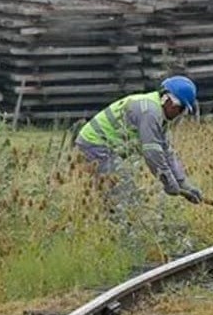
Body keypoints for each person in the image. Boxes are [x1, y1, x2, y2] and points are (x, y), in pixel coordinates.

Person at [75, 76, 203, 216]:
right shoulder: (150, 112)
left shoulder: (159, 114)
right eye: (180, 108)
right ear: (168, 100)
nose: (180, 114)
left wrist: (183, 183)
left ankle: (115, 223)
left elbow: (167, 151)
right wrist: (168, 182)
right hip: (96, 145)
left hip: (108, 148)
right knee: (121, 195)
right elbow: (152, 154)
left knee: (123, 193)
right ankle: (117, 229)